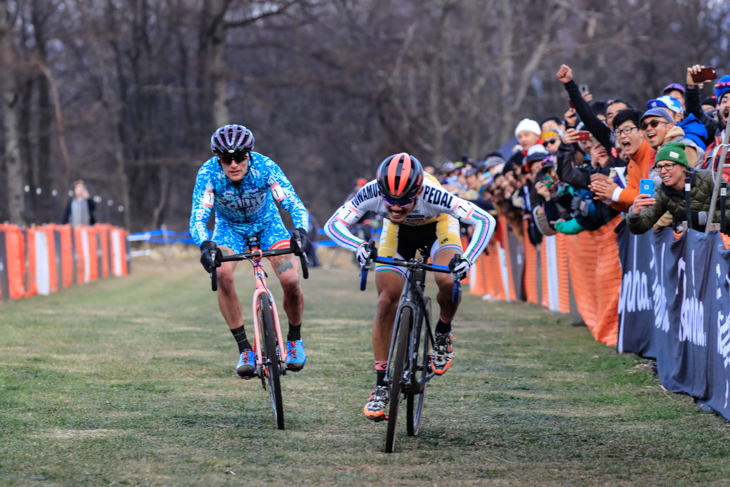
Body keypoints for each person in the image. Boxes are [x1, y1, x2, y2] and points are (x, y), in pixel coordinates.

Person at [324, 153, 495, 421]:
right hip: (396, 234)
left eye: (403, 201)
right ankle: (381, 384)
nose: (395, 207)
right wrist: (358, 247)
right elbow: (333, 224)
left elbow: (486, 220)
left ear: (417, 191)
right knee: (385, 301)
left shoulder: (435, 195)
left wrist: (468, 259)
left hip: (439, 228)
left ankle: (442, 332)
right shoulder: (371, 192)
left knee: (448, 280)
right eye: (389, 201)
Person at [189, 125, 312, 378]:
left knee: (291, 280)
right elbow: (198, 217)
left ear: (249, 155)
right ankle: (245, 349)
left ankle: (294, 340)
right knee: (222, 275)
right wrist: (204, 244)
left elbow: (294, 204)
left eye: (240, 157)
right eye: (226, 159)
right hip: (229, 229)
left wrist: (300, 230)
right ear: (218, 159)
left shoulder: (265, 167)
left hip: (269, 225)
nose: (233, 164)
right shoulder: (208, 173)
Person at [627, 142, 730, 234]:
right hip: (697, 246)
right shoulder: (662, 192)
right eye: (659, 167)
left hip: (724, 243)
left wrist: (702, 217)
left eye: (668, 165)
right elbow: (640, 228)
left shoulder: (709, 178)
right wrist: (633, 214)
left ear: (683, 167)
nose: (662, 171)